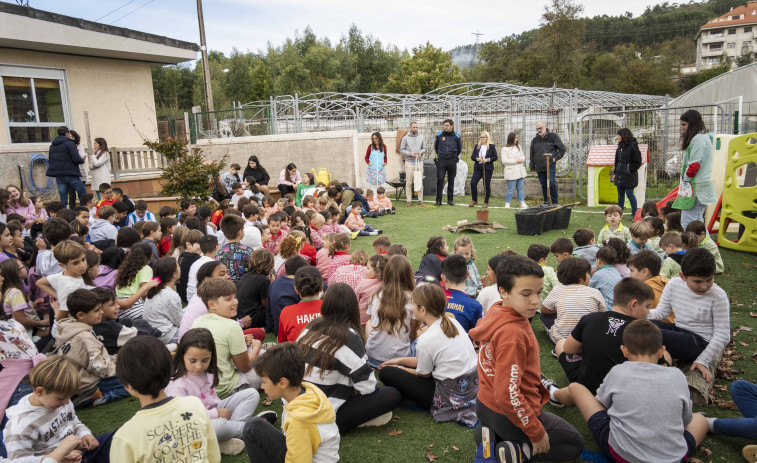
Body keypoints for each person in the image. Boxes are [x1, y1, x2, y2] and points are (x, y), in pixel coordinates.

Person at [470, 255, 584, 462]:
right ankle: (517, 452)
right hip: (506, 414)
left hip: (484, 405)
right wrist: (536, 433)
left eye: (539, 292)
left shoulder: (496, 310)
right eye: (526, 294)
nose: (535, 301)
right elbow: (507, 394)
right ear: (503, 291)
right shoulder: (512, 334)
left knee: (499, 425)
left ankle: (488, 438)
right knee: (573, 445)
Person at [568, 320, 708, 463]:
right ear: (661, 351)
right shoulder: (678, 376)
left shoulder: (618, 371)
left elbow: (603, 404)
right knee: (701, 420)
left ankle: (553, 393)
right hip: (674, 458)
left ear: (624, 350)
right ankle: (710, 422)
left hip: (622, 455)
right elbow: (686, 420)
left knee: (576, 388)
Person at [298, 282, 401, 434]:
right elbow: (368, 387)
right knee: (392, 394)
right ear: (353, 307)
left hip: (297, 406)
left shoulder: (310, 326)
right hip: (321, 416)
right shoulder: (348, 337)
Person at [543, 278, 656, 409]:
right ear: (634, 304)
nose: (648, 312)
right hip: (621, 395)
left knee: (561, 343)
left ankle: (554, 394)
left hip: (587, 386)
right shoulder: (644, 332)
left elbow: (568, 349)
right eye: (647, 306)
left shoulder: (591, 318)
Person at [379, 284, 478, 427]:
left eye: (413, 305)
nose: (412, 308)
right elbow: (430, 361)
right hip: (470, 388)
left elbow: (424, 374)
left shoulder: (426, 340)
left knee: (387, 373)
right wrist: (400, 360)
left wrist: (398, 368)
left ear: (423, 310)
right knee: (397, 368)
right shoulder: (452, 322)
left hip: (449, 396)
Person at [112, 336, 221, 462]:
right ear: (170, 370)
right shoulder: (195, 405)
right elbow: (214, 457)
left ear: (128, 385)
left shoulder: (124, 437)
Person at [166, 328, 270, 456]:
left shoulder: (208, 372)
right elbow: (183, 417)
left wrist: (219, 411)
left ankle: (226, 438)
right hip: (193, 425)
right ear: (182, 356)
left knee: (251, 393)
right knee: (220, 426)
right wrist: (215, 414)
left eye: (205, 360)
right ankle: (252, 428)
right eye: (193, 360)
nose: (199, 366)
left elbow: (212, 399)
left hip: (214, 413)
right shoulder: (177, 383)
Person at [243, 343, 340, 463]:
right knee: (254, 426)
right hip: (309, 453)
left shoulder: (299, 420)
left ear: (283, 383)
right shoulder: (307, 391)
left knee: (252, 428)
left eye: (264, 381)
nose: (262, 386)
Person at [3, 356, 113, 462]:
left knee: (117, 437)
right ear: (40, 391)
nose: (66, 402)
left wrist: (84, 434)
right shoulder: (20, 426)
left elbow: (73, 421)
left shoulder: (61, 401)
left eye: (69, 397)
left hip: (79, 453)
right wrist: (57, 457)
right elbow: (19, 461)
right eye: (61, 398)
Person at [647, 248, 730, 383]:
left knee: (647, 333)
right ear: (682, 276)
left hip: (700, 342)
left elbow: (723, 334)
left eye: (709, 280)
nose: (704, 286)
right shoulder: (673, 284)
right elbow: (661, 312)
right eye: (697, 281)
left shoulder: (718, 296)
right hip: (679, 331)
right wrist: (638, 314)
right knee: (639, 325)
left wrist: (703, 360)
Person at [54, 289, 130, 406]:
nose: (101, 312)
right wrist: (120, 369)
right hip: (88, 384)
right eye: (96, 310)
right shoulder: (84, 336)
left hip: (77, 381)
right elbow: (99, 368)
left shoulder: (71, 327)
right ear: (81, 315)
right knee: (138, 383)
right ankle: (97, 397)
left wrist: (118, 359)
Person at [191, 278, 263, 396]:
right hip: (226, 388)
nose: (235, 302)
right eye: (228, 299)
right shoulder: (232, 326)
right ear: (212, 304)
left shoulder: (197, 321)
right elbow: (245, 367)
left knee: (261, 355)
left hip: (204, 386)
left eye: (234, 297)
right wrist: (256, 347)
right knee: (264, 365)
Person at [365, 255, 418, 368]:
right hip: (400, 359)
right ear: (408, 275)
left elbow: (372, 322)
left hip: (372, 358)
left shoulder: (376, 296)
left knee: (369, 323)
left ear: (387, 273)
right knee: (421, 337)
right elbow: (412, 337)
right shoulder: (413, 299)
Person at [541, 257, 607, 343]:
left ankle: (563, 346)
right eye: (588, 273)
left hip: (561, 339)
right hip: (588, 339)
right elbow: (603, 315)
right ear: (581, 278)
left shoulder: (557, 289)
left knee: (544, 316)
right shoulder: (595, 292)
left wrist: (561, 309)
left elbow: (544, 310)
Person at [675, 110, 717, 229]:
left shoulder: (698, 139)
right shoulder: (702, 137)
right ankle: (706, 247)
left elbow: (694, 165)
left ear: (692, 124)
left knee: (688, 224)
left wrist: (686, 181)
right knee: (698, 224)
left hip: (695, 187)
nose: (682, 128)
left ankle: (692, 247)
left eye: (684, 125)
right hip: (698, 186)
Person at [278, 266, 323, 343]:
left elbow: (281, 342)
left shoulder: (286, 312)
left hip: (296, 354)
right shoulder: (331, 308)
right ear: (321, 287)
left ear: (296, 289)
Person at [46, 126, 87, 209]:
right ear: (67, 133)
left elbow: (51, 160)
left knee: (63, 197)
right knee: (83, 193)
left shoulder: (52, 145)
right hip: (70, 173)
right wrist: (82, 160)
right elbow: (76, 158)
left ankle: (63, 214)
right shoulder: (70, 143)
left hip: (59, 174)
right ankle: (84, 210)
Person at [441, 254, 482, 333]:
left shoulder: (433, 299)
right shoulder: (474, 306)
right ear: (467, 275)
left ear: (443, 278)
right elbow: (477, 337)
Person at [236, 248, 275, 330]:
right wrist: (272, 284)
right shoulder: (263, 280)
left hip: (240, 315)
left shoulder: (245, 276)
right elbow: (266, 304)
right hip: (252, 318)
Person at [529, 121, 566, 205]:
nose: (539, 130)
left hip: (550, 165)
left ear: (545, 126)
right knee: (543, 184)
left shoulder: (553, 137)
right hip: (539, 166)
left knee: (551, 183)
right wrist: (532, 168)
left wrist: (555, 158)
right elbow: (532, 154)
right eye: (537, 129)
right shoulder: (535, 140)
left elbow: (562, 149)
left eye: (540, 128)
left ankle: (555, 202)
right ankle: (546, 201)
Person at [613, 128, 642, 217]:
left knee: (630, 194)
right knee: (620, 194)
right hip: (620, 175)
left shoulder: (633, 146)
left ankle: (634, 213)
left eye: (619, 135)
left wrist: (629, 170)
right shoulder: (619, 147)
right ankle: (619, 212)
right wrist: (615, 173)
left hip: (629, 176)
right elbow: (617, 161)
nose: (617, 137)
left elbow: (637, 161)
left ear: (623, 136)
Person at [433, 119, 462, 206]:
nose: (445, 127)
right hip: (441, 161)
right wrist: (441, 155)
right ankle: (438, 200)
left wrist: (453, 156)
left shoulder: (457, 136)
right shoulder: (439, 135)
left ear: (451, 126)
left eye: (447, 125)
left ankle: (450, 200)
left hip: (452, 161)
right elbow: (436, 147)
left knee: (451, 180)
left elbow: (459, 149)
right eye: (444, 125)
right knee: (440, 179)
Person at [399, 121, 426, 206]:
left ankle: (420, 199)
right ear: (410, 128)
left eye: (416, 127)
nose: (415, 129)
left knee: (419, 181)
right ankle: (409, 200)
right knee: (409, 182)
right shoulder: (405, 138)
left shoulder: (421, 137)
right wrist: (410, 154)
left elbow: (424, 148)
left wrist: (420, 152)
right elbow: (402, 150)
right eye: (413, 127)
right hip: (409, 163)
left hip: (419, 162)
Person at [469, 131, 498, 208]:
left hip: (487, 168)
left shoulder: (491, 146)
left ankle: (486, 202)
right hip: (478, 168)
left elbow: (495, 157)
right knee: (473, 183)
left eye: (483, 137)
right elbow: (472, 157)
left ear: (487, 138)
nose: (481, 139)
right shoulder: (477, 146)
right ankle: (474, 200)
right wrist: (477, 159)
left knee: (486, 185)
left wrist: (487, 160)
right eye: (481, 137)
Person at [501, 131, 528, 209]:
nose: (516, 139)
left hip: (520, 171)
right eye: (515, 138)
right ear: (511, 138)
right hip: (511, 171)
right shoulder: (504, 149)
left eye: (517, 138)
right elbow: (504, 161)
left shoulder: (519, 147)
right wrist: (515, 161)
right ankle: (507, 203)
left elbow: (523, 156)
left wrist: (521, 160)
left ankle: (522, 202)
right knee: (511, 189)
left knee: (520, 188)